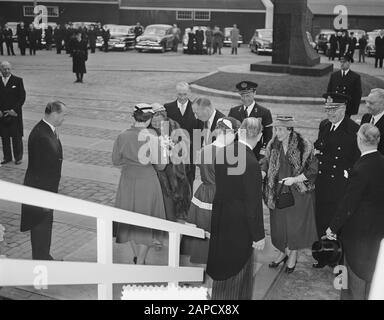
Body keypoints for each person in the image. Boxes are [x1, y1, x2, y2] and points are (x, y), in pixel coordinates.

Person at [206, 117, 265, 300]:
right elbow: (253, 204)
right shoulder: (252, 163)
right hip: (240, 224)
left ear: (240, 132)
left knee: (220, 261)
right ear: (260, 136)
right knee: (237, 271)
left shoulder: (223, 153)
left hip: (221, 215)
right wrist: (258, 235)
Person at [326, 124, 384, 300]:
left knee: (352, 282)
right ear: (378, 140)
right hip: (378, 230)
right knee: (372, 276)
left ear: (359, 140)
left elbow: (348, 204)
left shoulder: (360, 168)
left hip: (357, 235)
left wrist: (332, 228)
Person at [261, 115, 318, 273]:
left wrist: (294, 179)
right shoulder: (273, 144)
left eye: (279, 129)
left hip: (297, 194)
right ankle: (282, 253)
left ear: (289, 129)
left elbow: (313, 169)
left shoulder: (304, 145)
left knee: (294, 228)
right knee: (279, 226)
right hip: (277, 192)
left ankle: (292, 255)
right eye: (275, 129)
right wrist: (262, 172)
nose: (276, 132)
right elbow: (265, 161)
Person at [112, 103, 166, 265]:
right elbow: (161, 166)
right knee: (146, 219)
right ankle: (141, 260)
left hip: (128, 180)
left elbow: (116, 160)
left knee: (130, 219)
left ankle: (137, 257)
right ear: (149, 119)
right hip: (147, 181)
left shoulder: (122, 135)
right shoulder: (152, 137)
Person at [185, 116, 240, 266]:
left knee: (204, 232)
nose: (235, 137)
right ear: (228, 132)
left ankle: (203, 265)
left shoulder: (204, 150)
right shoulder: (229, 154)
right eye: (235, 133)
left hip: (203, 193)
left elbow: (201, 168)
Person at [313, 92, 360, 268]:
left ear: (344, 109)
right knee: (321, 220)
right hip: (322, 182)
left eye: (333, 109)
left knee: (336, 223)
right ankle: (323, 255)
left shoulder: (353, 129)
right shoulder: (324, 125)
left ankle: (337, 259)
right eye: (327, 109)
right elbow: (319, 148)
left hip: (340, 185)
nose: (329, 113)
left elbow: (356, 160)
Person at [20, 101, 67, 260]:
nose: (64, 119)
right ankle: (41, 260)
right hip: (41, 193)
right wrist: (45, 200)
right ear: (54, 114)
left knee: (45, 228)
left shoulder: (47, 130)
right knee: (40, 227)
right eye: (63, 115)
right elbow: (41, 171)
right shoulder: (42, 135)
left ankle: (44, 256)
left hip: (46, 192)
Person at [150, 103, 191, 222]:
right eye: (154, 122)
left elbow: (185, 142)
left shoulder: (173, 125)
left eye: (159, 121)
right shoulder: (149, 131)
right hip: (160, 169)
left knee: (180, 193)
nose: (157, 124)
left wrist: (175, 147)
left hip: (176, 166)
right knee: (166, 195)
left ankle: (181, 216)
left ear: (165, 118)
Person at [164, 82, 203, 188]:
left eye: (185, 94)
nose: (182, 97)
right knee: (172, 182)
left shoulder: (197, 108)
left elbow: (199, 132)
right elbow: (165, 131)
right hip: (173, 153)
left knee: (189, 182)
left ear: (189, 93)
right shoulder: (167, 108)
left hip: (190, 154)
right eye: (179, 94)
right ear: (176, 93)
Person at [228, 81, 273, 159]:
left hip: (255, 153)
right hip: (236, 153)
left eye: (248, 95)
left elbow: (268, 135)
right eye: (242, 96)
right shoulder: (233, 111)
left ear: (254, 93)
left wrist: (263, 151)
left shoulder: (264, 112)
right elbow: (228, 132)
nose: (245, 99)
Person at [0, 61, 26, 165]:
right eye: (4, 69)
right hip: (2, 115)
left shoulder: (18, 80)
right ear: (0, 70)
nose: (6, 71)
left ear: (11, 69)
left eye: (8, 69)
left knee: (16, 136)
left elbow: (22, 97)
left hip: (14, 114)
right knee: (4, 137)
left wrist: (13, 110)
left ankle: (18, 157)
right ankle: (7, 157)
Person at [360, 88, 384, 155]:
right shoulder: (366, 117)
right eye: (366, 102)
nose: (367, 105)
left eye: (371, 103)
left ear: (382, 104)